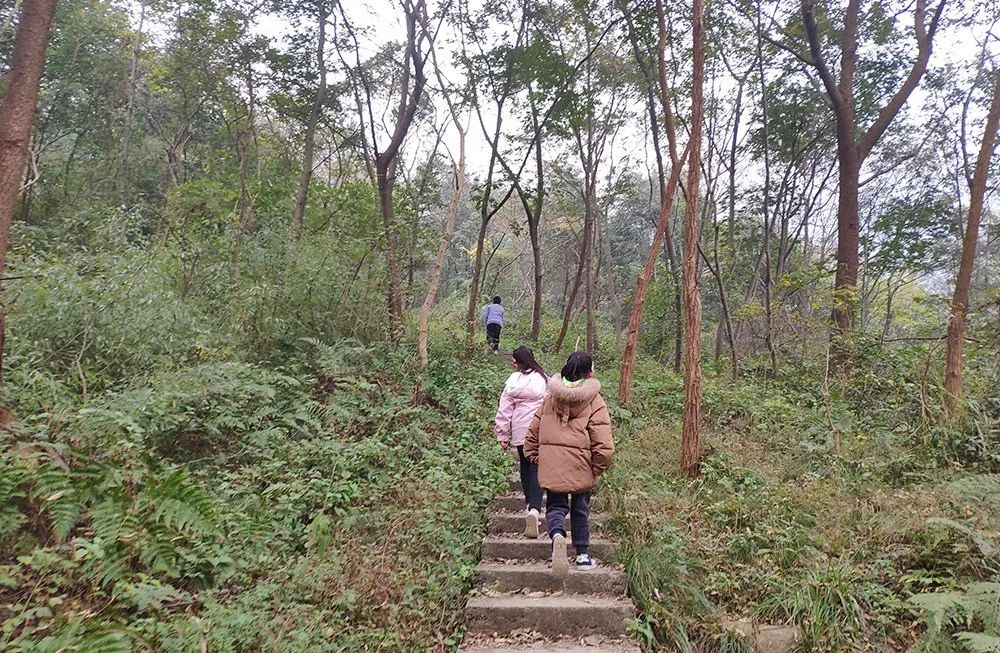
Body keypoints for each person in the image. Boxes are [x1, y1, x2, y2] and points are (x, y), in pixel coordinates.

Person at [525, 351, 614, 577]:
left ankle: (557, 536)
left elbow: (532, 435)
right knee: (580, 510)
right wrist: (598, 465)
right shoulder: (594, 401)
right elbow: (602, 441)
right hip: (582, 465)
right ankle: (583, 556)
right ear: (589, 373)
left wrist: (538, 458)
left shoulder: (549, 399)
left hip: (554, 466)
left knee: (555, 506)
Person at [493, 346, 548, 538]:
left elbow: (504, 409)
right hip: (539, 428)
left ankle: (528, 505)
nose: (513, 364)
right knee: (536, 467)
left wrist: (502, 434)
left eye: (514, 361)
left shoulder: (513, 381)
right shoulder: (543, 379)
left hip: (518, 428)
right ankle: (534, 509)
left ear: (518, 362)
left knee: (525, 466)